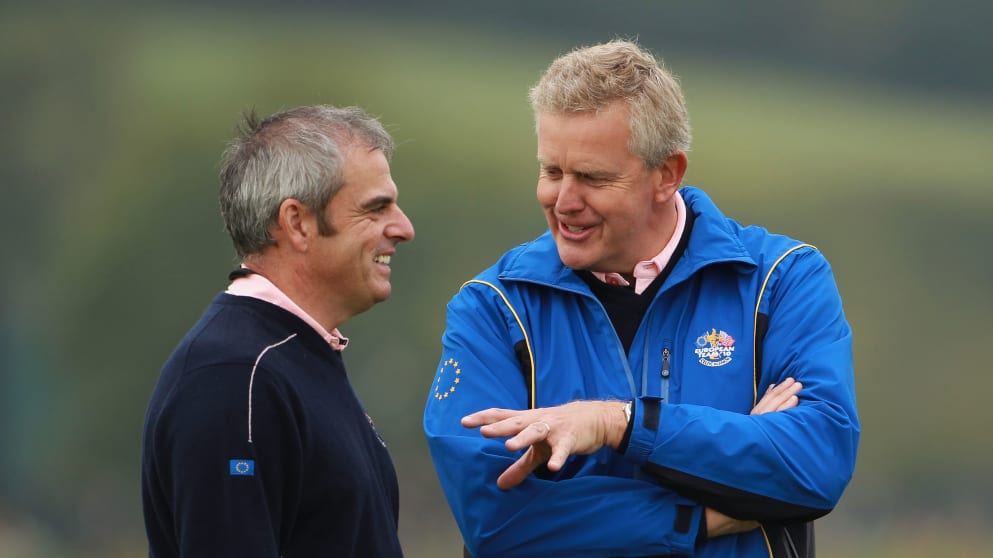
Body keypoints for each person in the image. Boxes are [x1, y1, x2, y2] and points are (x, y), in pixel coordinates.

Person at [423, 40, 859, 557]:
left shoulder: (782, 280)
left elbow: (816, 465)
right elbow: (496, 524)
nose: (563, 202)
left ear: (667, 175)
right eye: (552, 172)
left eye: (592, 178)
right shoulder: (492, 308)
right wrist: (707, 510)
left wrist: (619, 424)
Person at [142, 105, 415, 557]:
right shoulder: (232, 377)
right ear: (297, 223)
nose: (403, 228)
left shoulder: (288, 356)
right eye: (376, 208)